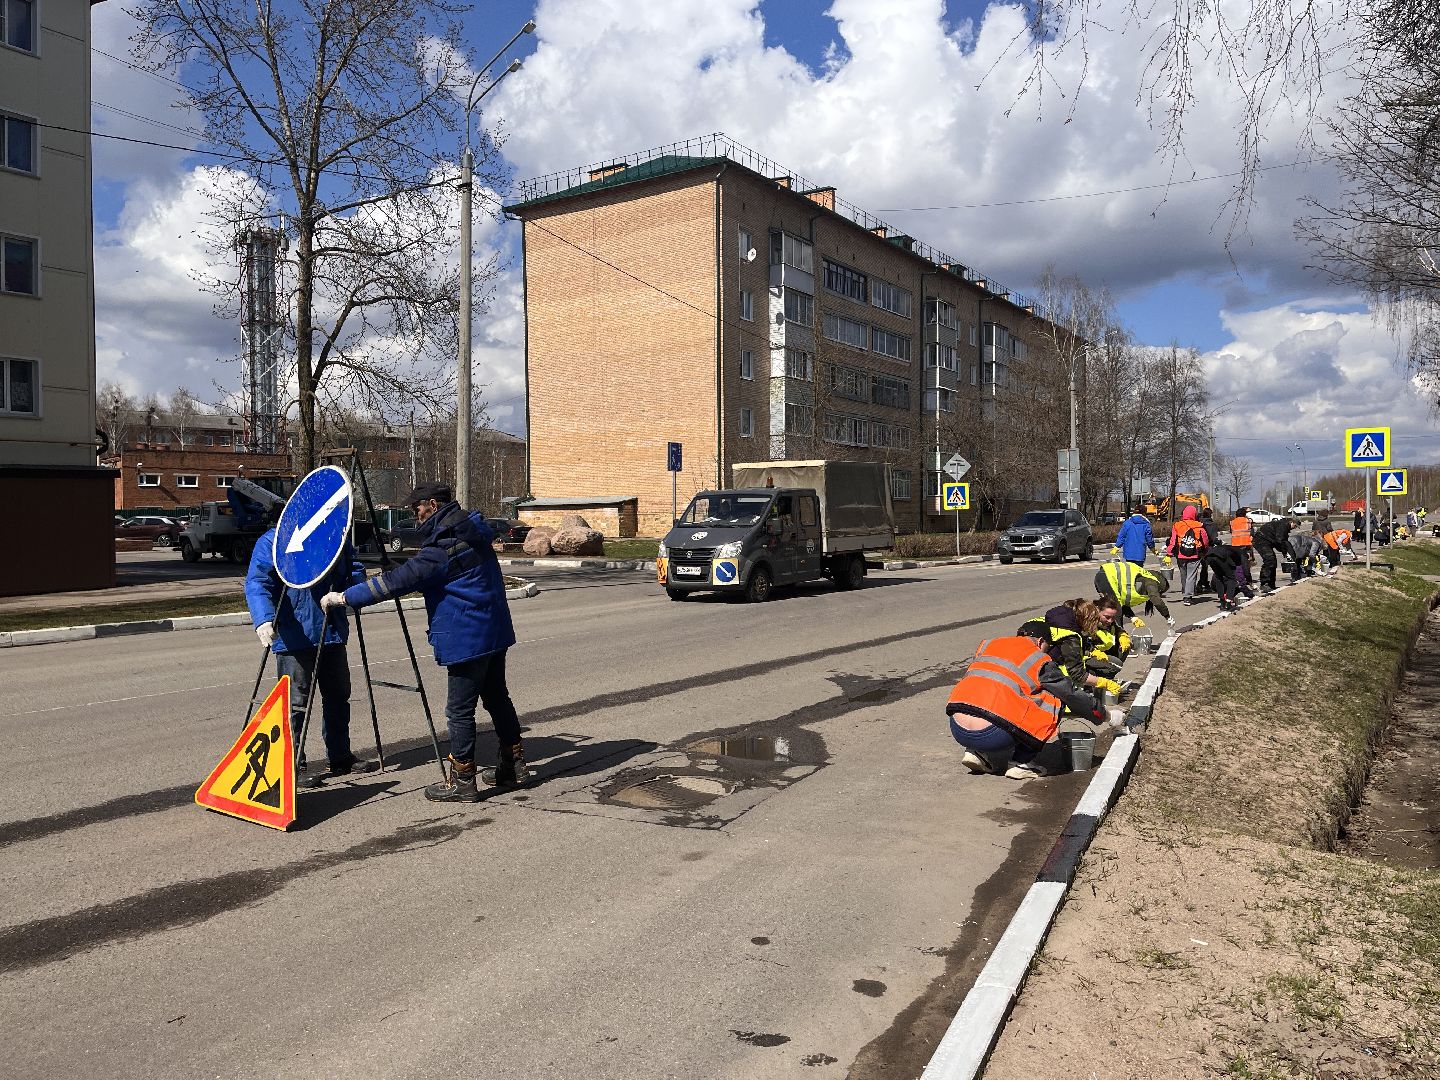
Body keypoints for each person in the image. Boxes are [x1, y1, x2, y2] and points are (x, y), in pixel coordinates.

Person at [323, 481, 526, 803]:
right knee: (497, 697)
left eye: (415, 510)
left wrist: (345, 597)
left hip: (466, 637)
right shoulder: (472, 532)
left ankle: (462, 781)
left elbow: (394, 583)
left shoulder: (440, 549)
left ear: (432, 505)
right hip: (494, 630)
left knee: (459, 711)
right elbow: (429, 573)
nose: (414, 517)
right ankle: (513, 765)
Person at [245, 523, 375, 787]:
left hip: (332, 629)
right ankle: (293, 764)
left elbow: (353, 568)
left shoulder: (332, 533)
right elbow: (258, 580)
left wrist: (355, 593)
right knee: (295, 706)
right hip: (295, 636)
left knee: (338, 697)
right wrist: (263, 618)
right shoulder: (275, 539)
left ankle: (340, 756)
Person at [946, 623, 1119, 780]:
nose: (1047, 651)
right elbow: (1070, 694)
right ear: (1041, 641)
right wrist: (1105, 715)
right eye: (1047, 647)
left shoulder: (989, 645)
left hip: (958, 727)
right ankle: (1021, 763)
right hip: (993, 733)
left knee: (988, 686)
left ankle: (977, 752)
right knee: (1053, 698)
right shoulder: (1038, 659)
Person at [1096, 558, 1174, 628]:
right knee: (1116, 612)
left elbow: (1121, 602)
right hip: (1107, 577)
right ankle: (1118, 640)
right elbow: (1156, 599)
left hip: (1104, 576)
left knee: (1110, 608)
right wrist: (1168, 617)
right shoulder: (1152, 582)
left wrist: (1133, 617)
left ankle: (1106, 634)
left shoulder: (1145, 577)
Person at [1166, 506, 1209, 605]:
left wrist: (1169, 553)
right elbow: (1205, 540)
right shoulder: (1199, 525)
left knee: (1183, 574)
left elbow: (1173, 541)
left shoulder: (1177, 525)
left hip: (1181, 554)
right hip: (1195, 554)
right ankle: (1187, 596)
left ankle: (1185, 591)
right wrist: (1205, 550)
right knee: (1191, 575)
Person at [1085, 596, 1132, 681]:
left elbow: (1118, 628)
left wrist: (1123, 636)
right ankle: (1094, 680)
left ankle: (1107, 678)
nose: (1110, 621)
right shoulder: (1088, 623)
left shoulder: (1109, 622)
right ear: (1097, 611)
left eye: (1113, 617)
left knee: (1125, 647)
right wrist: (1093, 652)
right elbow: (1079, 646)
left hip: (1102, 652)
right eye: (1107, 617)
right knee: (1116, 664)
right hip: (1087, 656)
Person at [1252, 516, 1294, 595]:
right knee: (1269, 560)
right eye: (1294, 526)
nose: (1293, 528)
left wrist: (1284, 552)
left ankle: (1271, 584)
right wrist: (1284, 552)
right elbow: (1280, 540)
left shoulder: (1283, 526)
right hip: (1261, 541)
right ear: (1291, 522)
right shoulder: (1283, 526)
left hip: (1267, 541)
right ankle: (1264, 584)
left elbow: (1280, 541)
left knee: (1273, 561)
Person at [1204, 542, 1244, 611]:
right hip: (1221, 557)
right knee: (1231, 579)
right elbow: (1239, 567)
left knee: (1219, 577)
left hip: (1209, 556)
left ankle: (1222, 602)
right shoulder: (1240, 553)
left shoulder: (1230, 548)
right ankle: (1228, 601)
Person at [1195, 508, 1220, 594]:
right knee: (1205, 566)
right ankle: (1201, 584)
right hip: (1207, 547)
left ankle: (1203, 584)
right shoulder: (1212, 525)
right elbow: (1213, 538)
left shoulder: (1198, 523)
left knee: (1197, 567)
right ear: (1210, 515)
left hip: (1196, 547)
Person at [1229, 507, 1255, 587]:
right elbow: (1252, 532)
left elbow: (1231, 531)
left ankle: (1238, 579)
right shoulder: (1247, 521)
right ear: (1244, 514)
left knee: (1237, 564)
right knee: (1245, 565)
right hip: (1245, 545)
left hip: (1235, 546)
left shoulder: (1232, 522)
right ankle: (1249, 581)